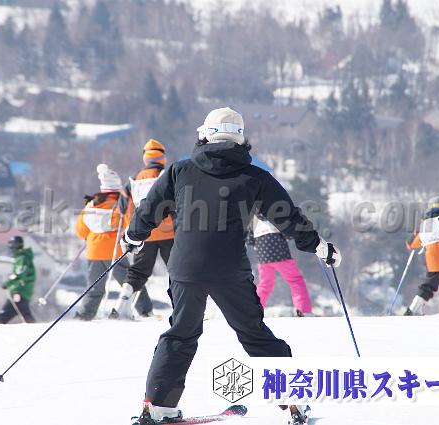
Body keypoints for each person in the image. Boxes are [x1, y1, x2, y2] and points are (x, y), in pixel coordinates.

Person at [123, 107, 341, 425]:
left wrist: (132, 237)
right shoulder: (255, 178)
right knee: (254, 334)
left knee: (180, 334)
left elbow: (149, 210)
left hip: (185, 268)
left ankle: (157, 406)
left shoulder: (179, 171)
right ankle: (294, 403)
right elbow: (289, 218)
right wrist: (320, 247)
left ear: (204, 135)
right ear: (240, 139)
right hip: (229, 269)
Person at [74, 164, 153, 321]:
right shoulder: (121, 204)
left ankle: (85, 314)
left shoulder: (90, 204)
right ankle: (145, 310)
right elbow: (129, 224)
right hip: (115, 251)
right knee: (130, 282)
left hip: (94, 251)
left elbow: (81, 231)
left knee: (94, 286)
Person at [110, 139, 174, 319]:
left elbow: (124, 209)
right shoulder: (167, 176)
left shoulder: (133, 181)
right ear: (162, 157)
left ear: (145, 158)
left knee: (137, 272)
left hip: (144, 234)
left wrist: (130, 231)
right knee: (177, 270)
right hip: (170, 232)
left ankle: (121, 306)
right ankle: (182, 309)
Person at [247, 213, 314, 317]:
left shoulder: (253, 217)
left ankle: (254, 312)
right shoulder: (273, 211)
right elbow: (288, 232)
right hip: (280, 252)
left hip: (263, 254)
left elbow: (250, 239)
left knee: (265, 285)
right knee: (295, 280)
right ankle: (303, 309)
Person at [0, 236, 37, 324]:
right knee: (24, 315)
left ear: (16, 246)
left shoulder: (22, 258)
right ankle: (36, 328)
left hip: (20, 291)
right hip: (20, 291)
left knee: (1, 318)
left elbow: (19, 274)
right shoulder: (21, 258)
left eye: (11, 246)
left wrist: (7, 283)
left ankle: (38, 329)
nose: (10, 248)